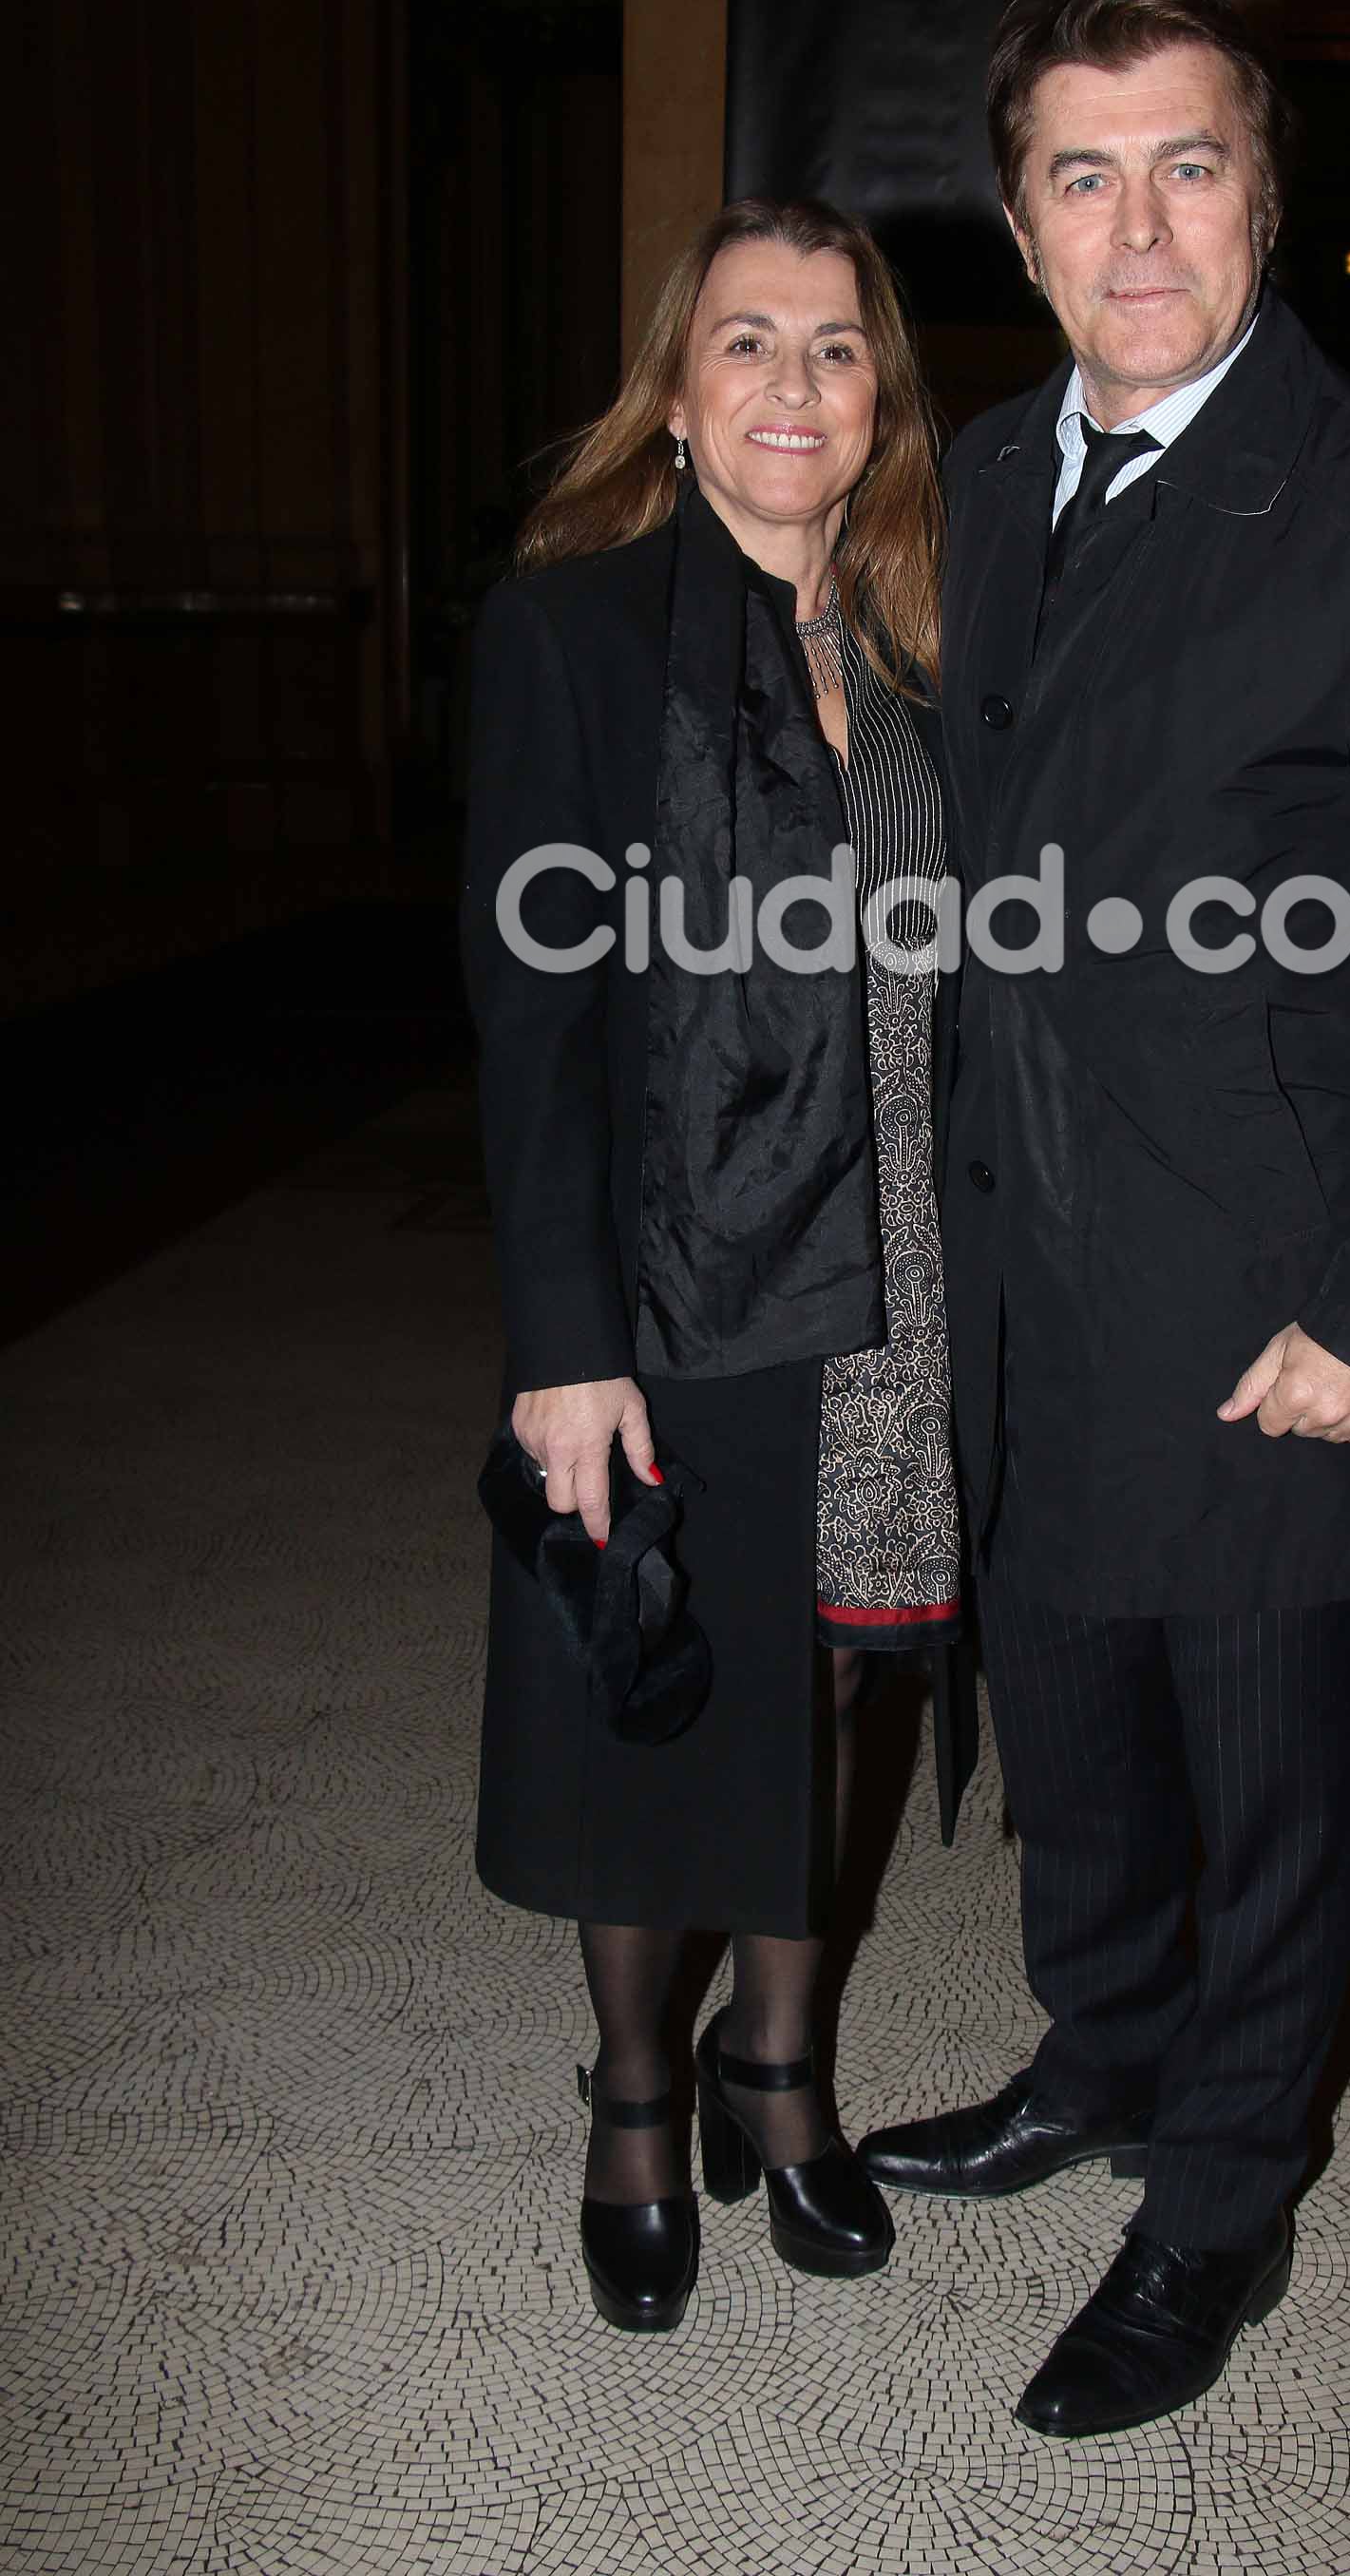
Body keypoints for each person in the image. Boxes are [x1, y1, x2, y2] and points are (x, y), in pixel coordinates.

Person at [859, 0, 1350, 2437]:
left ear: (1267, 196)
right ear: (1019, 219)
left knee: (1276, 1792)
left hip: (1283, 1296)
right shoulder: (981, 479)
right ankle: (1102, 2053)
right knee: (1069, 1723)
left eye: (1193, 163)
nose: (1142, 223)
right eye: (1086, 175)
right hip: (1028, 1267)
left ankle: (1216, 2212)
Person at [462, 198, 966, 2337]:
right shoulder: (577, 627)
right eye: (745, 345)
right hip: (689, 1258)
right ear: (677, 394)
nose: (790, 388)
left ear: (880, 400)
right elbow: (531, 1014)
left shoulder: (929, 627)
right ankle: (642, 2100)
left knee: (830, 1662)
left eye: (834, 351)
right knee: (663, 1674)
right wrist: (567, 1344)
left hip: (915, 1244)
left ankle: (784, 2072)